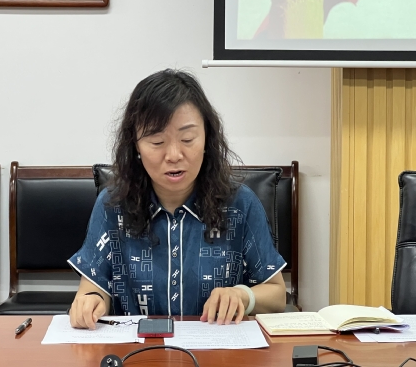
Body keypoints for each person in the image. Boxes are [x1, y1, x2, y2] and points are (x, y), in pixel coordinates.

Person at [67, 69, 287, 329]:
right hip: (136, 346)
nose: (173, 155)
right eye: (157, 141)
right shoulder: (113, 205)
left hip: (217, 346)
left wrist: (242, 296)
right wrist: (91, 301)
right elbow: (93, 288)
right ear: (135, 145)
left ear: (207, 139)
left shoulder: (239, 204)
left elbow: (277, 295)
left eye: (187, 139)